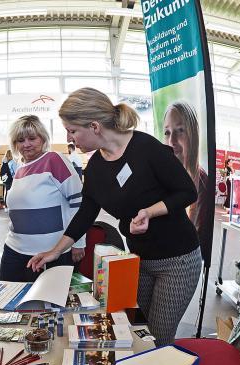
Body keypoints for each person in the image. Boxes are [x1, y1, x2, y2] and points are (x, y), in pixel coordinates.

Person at [28, 88, 201, 346]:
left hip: (177, 261)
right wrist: (56, 251)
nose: (69, 138)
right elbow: (86, 212)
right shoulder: (96, 166)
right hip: (139, 260)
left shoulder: (146, 148)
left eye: (72, 130)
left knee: (159, 338)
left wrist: (149, 212)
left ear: (95, 126)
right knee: (139, 329)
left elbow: (188, 191)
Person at [0, 115, 85, 282]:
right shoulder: (19, 169)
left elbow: (79, 202)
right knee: (11, 301)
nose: (26, 144)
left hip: (52, 253)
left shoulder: (54, 160)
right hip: (14, 249)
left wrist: (78, 242)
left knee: (50, 306)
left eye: (32, 138)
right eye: (20, 140)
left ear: (43, 138)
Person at [163, 100, 209, 253]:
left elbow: (196, 235)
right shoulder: (163, 175)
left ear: (193, 135)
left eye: (180, 130)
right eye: (167, 132)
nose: (171, 141)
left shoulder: (201, 181)